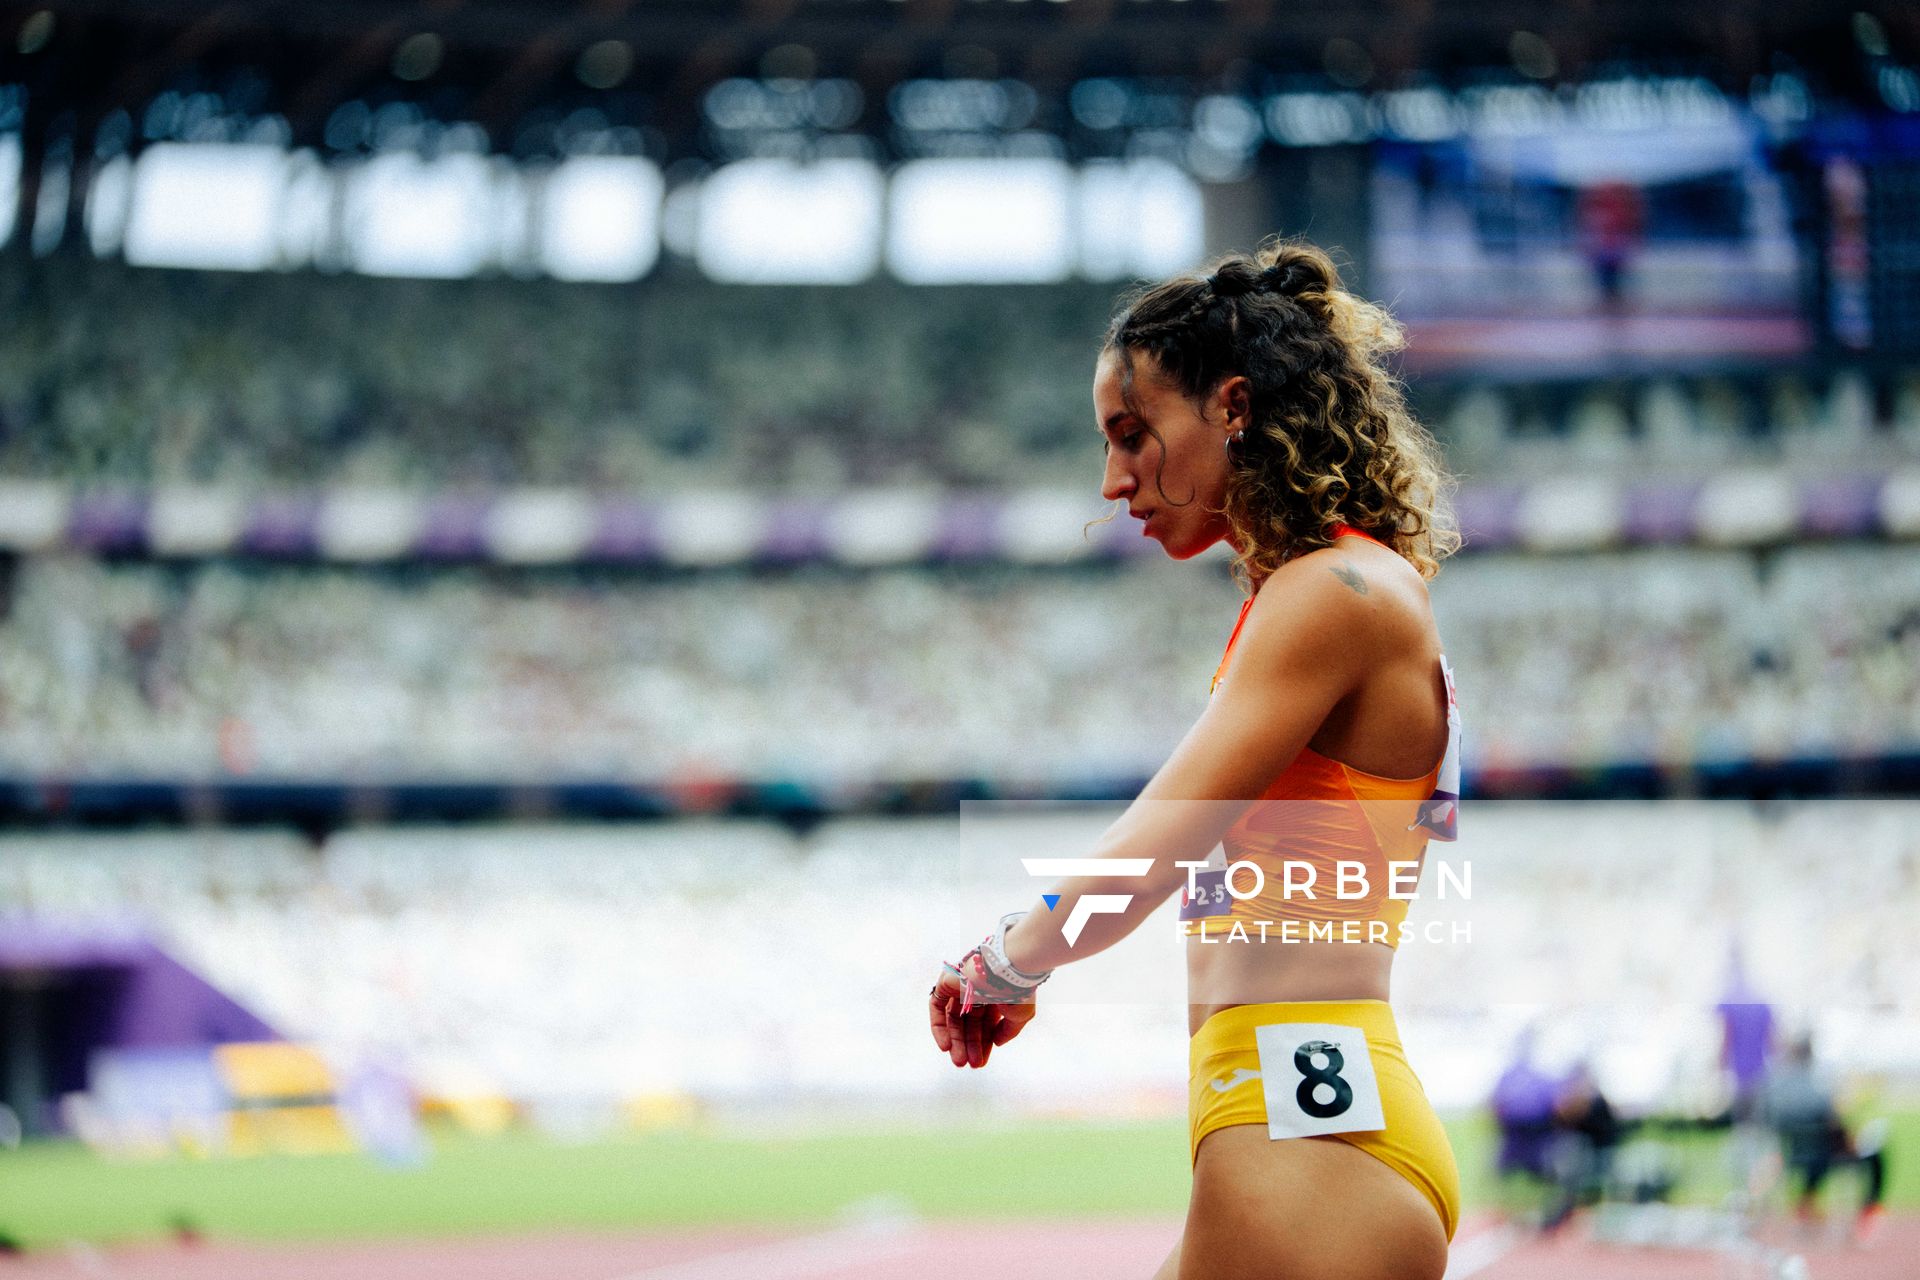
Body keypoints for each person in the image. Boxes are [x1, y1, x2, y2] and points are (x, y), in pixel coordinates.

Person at [928, 239, 1463, 1279]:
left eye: (1134, 434)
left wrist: (1004, 961)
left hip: (1304, 1136)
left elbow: (1158, 845)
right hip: (1302, 1117)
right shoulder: (1338, 590)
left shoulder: (1331, 593)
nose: (1113, 478)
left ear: (1231, 406)